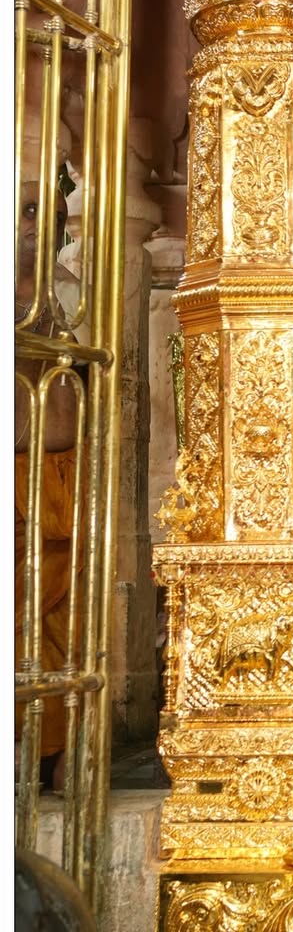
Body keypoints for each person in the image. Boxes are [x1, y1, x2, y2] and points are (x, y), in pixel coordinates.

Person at [15, 180, 83, 791]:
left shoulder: (75, 294)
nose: (42, 225)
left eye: (52, 214)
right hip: (16, 468)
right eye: (30, 210)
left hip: (59, 475)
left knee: (57, 619)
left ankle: (54, 755)